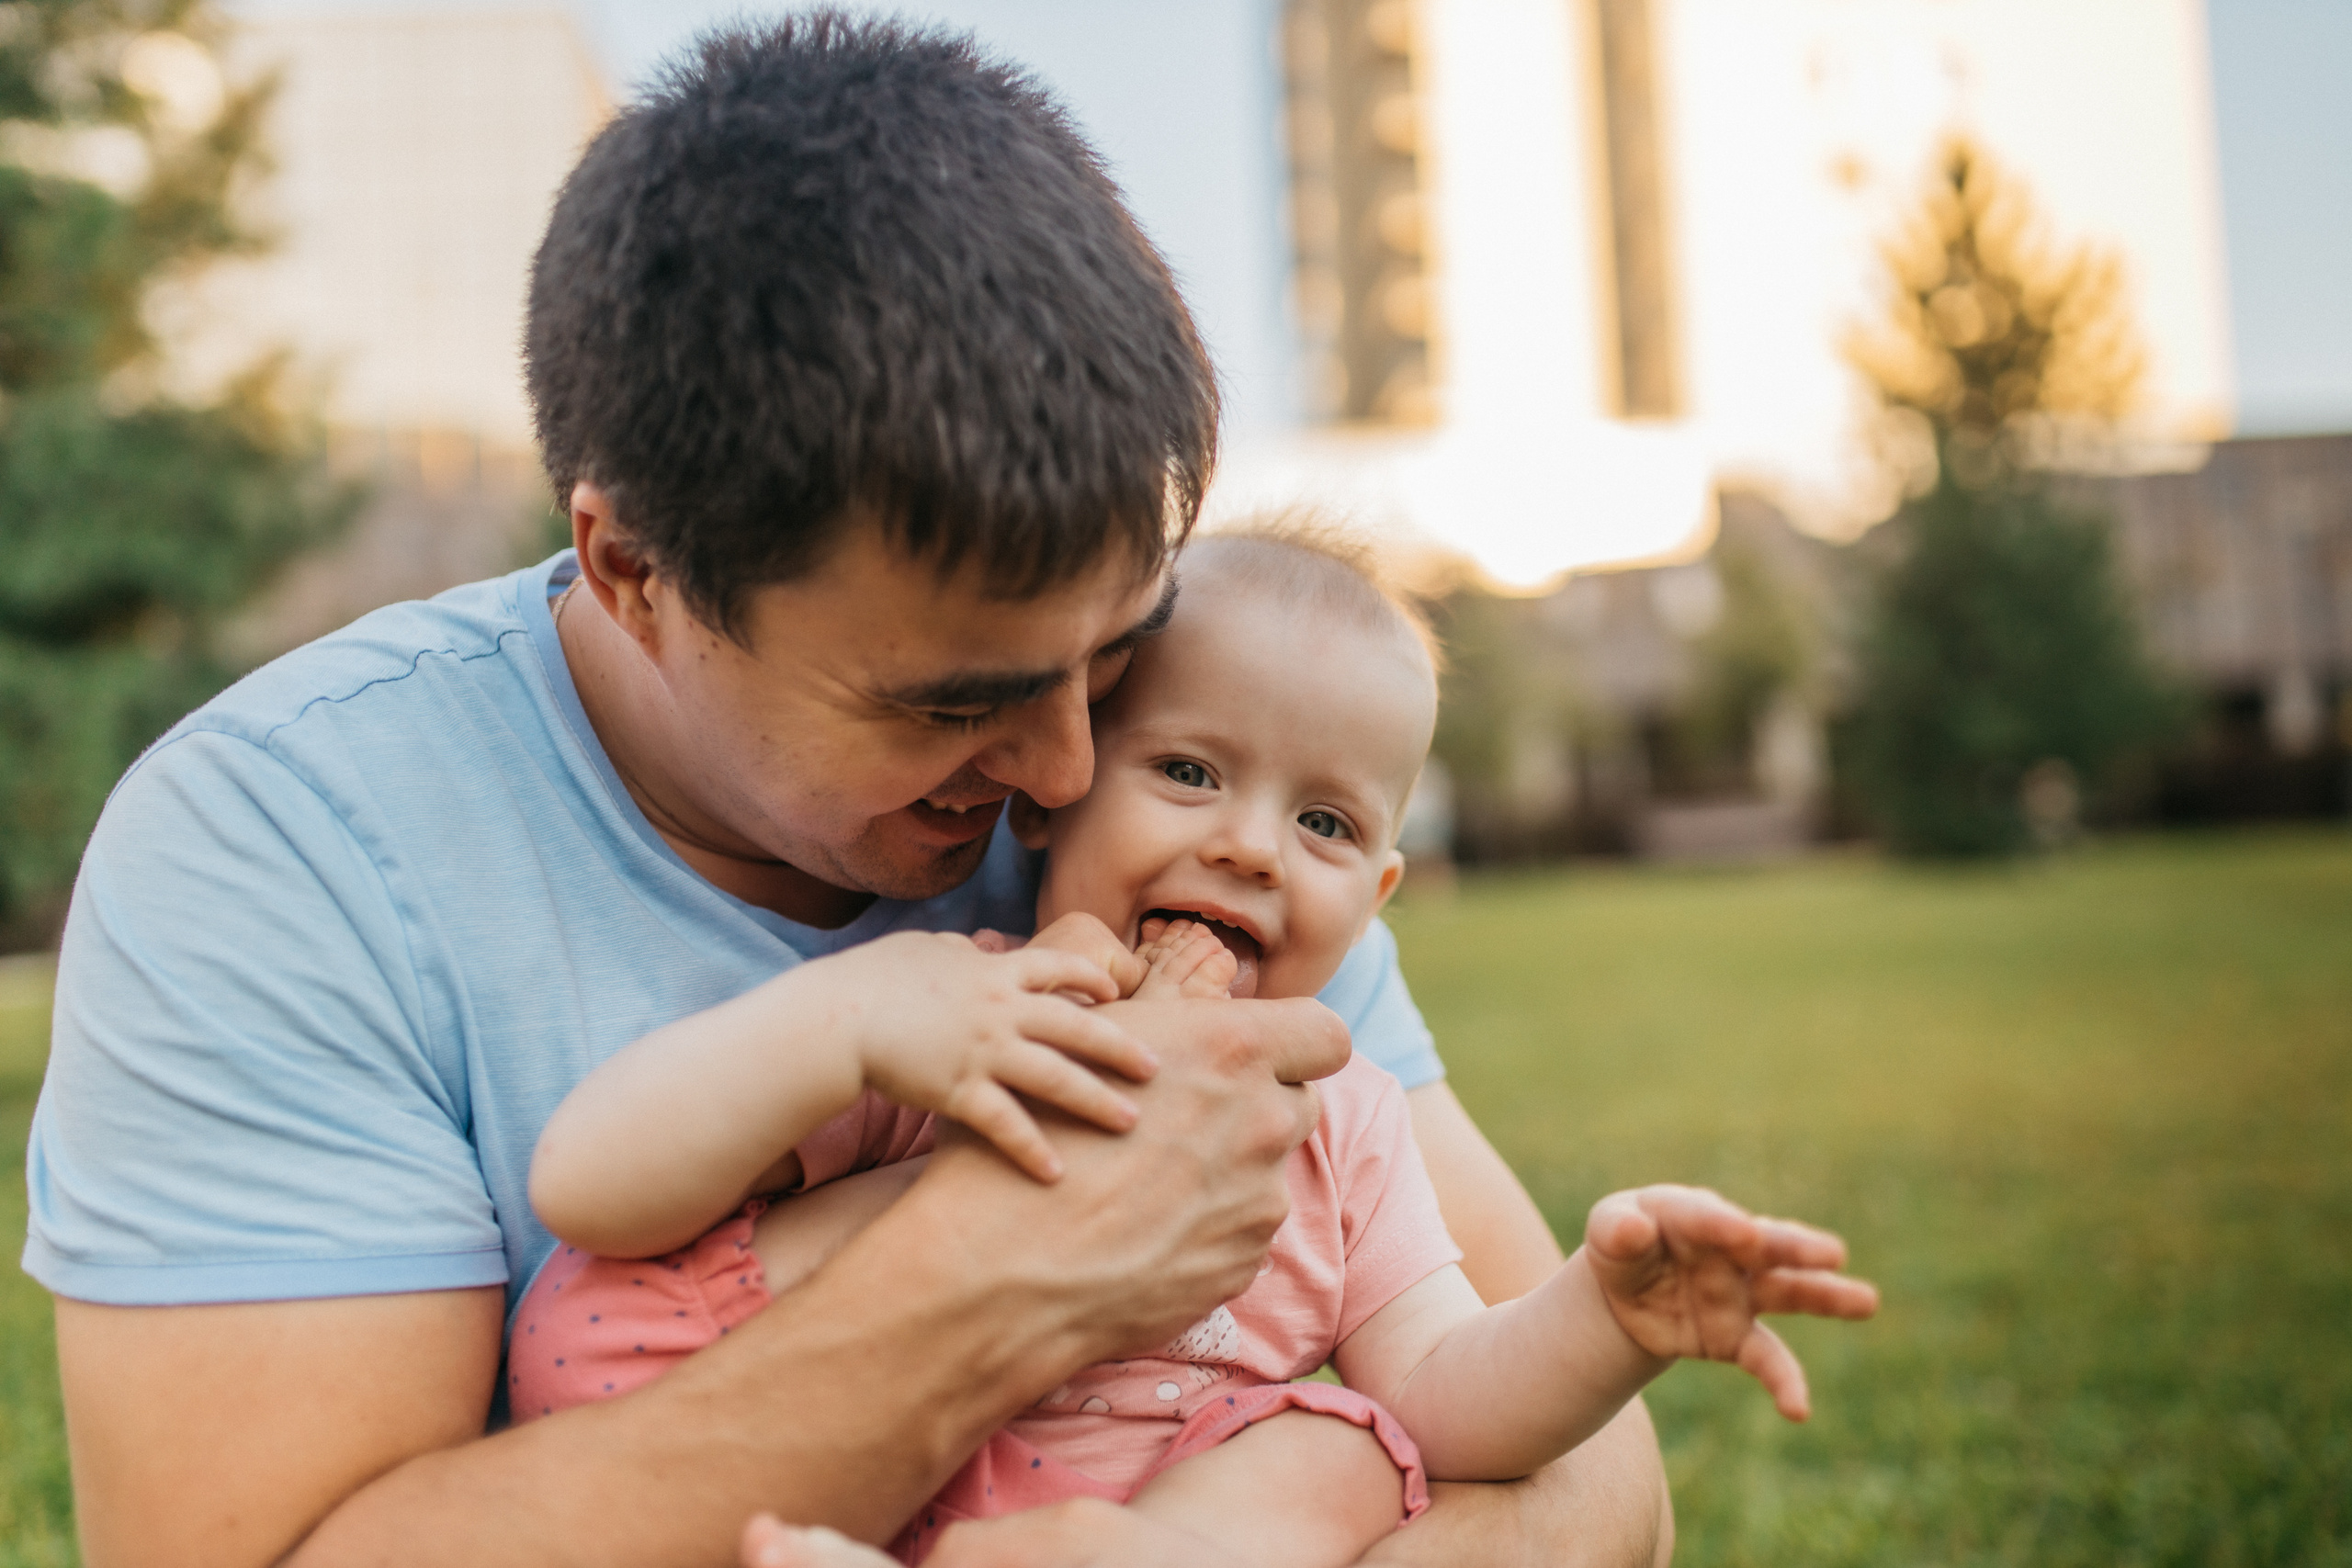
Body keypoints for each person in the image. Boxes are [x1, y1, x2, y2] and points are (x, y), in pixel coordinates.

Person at [23, 17, 1673, 1568]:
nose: (1065, 773)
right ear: (635, 571)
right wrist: (1000, 1282)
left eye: (1104, 660)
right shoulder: (278, 854)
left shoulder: (1197, 819)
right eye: (954, 703)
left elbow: (1593, 1495)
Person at [514, 532, 1878, 1567]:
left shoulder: (1343, 1118)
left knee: (1342, 1453)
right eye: (1189, 773)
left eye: (1327, 826)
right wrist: (845, 1026)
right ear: (1048, 801)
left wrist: (1604, 1319)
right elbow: (601, 1189)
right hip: (893, 1477)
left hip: (1168, 1524)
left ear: (1379, 900)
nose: (1248, 844)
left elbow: (1453, 1400)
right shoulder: (979, 1013)